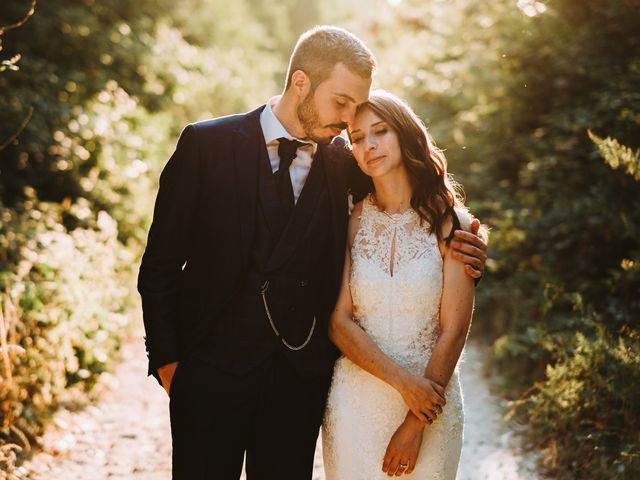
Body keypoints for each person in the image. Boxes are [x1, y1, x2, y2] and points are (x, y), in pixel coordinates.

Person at [138, 26, 488, 480]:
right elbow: (160, 264)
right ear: (300, 82)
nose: (348, 120)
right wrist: (170, 366)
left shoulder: (345, 161)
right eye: (341, 102)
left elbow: (408, 201)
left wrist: (468, 239)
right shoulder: (206, 145)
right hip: (208, 377)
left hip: (296, 385)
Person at [323, 90, 485, 479]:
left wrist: (415, 422)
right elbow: (338, 323)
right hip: (354, 406)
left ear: (405, 135)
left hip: (431, 407)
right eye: (358, 138)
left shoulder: (453, 224)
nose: (369, 145)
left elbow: (454, 330)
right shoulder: (351, 221)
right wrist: (404, 384)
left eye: (381, 131)